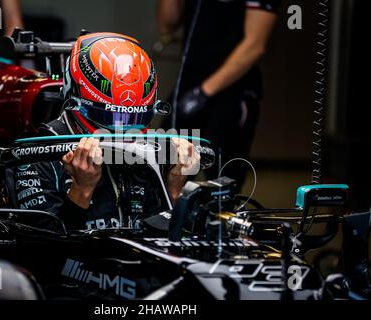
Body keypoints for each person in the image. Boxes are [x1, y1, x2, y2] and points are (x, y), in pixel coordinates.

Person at [15, 32, 200, 230]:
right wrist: (81, 190)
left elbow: (165, 246)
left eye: (133, 118)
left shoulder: (153, 157)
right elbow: (42, 255)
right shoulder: (36, 158)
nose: (123, 130)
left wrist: (174, 188)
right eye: (110, 117)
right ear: (74, 99)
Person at [157, 0, 281, 188]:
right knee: (164, 172)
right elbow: (167, 23)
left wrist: (204, 92)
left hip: (232, 90)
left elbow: (254, 45)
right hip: (188, 85)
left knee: (222, 183)